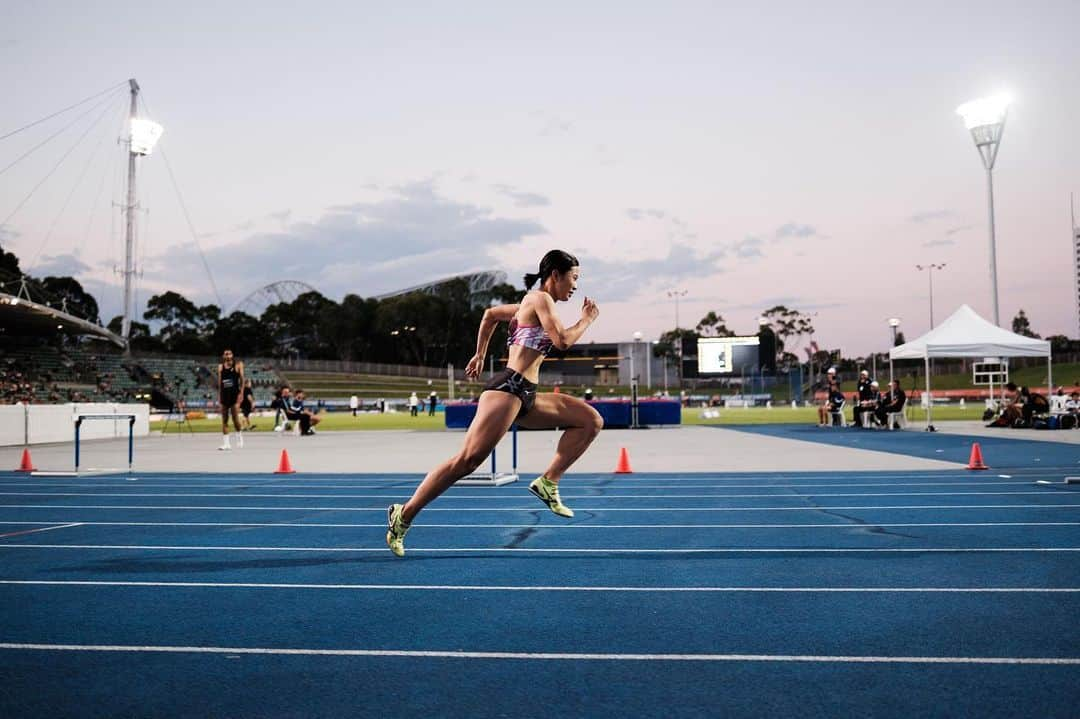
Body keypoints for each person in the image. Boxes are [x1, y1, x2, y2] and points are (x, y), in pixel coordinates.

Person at [387, 249, 602, 557]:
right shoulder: (541, 300)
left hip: (527, 393)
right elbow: (562, 342)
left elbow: (490, 316)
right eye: (574, 278)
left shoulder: (531, 304)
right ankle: (403, 515)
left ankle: (548, 482)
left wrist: (480, 353)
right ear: (555, 275)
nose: (576, 286)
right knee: (466, 462)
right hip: (508, 389)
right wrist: (586, 319)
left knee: (590, 421)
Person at [217, 349, 244, 450]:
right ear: (223, 356)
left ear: (232, 355)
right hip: (225, 395)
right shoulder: (220, 367)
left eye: (229, 353)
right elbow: (220, 382)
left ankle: (239, 436)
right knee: (224, 420)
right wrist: (219, 395)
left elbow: (242, 380)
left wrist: (241, 393)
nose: (227, 355)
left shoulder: (238, 365)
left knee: (235, 419)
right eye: (225, 354)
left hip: (234, 395)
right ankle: (226, 444)